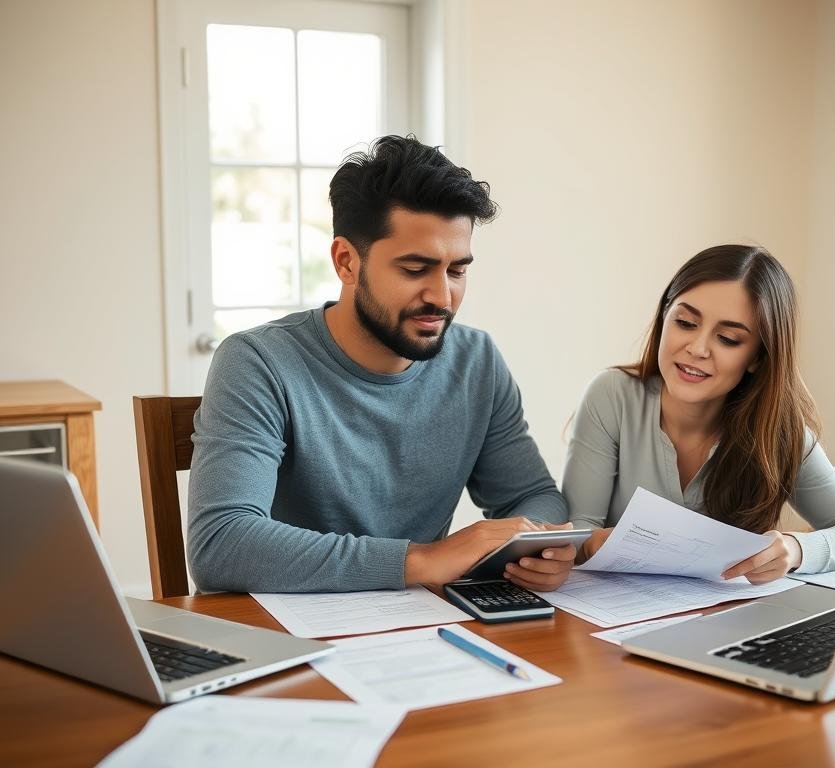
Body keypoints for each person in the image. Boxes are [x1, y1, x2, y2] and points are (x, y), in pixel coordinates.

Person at [188, 135, 575, 594]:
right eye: (415, 269)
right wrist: (422, 559)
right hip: (290, 635)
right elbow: (222, 543)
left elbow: (534, 497)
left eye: (457, 271)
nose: (442, 297)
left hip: (424, 627)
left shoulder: (477, 361)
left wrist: (540, 545)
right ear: (346, 261)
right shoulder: (258, 362)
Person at [563, 244, 835, 582]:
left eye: (728, 339)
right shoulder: (612, 396)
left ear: (758, 358)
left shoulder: (778, 431)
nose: (697, 349)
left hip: (723, 619)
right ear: (664, 318)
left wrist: (795, 548)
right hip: (610, 619)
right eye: (685, 322)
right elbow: (576, 529)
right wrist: (589, 543)